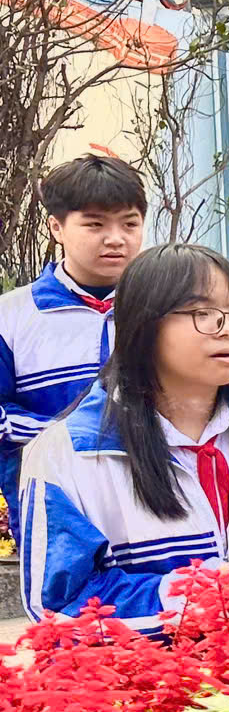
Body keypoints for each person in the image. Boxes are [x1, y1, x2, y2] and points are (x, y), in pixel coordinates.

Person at [19, 243, 229, 631]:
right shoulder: (73, 452)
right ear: (144, 325)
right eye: (203, 313)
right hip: (143, 668)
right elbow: (58, 603)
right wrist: (189, 598)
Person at [0, 153, 147, 540]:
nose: (115, 238)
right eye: (95, 224)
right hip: (54, 513)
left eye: (130, 223)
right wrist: (69, 436)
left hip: (154, 510)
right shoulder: (11, 317)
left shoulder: (167, 311)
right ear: (56, 227)